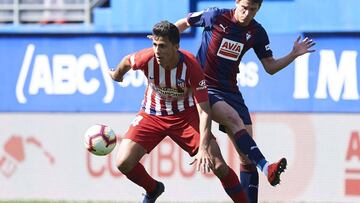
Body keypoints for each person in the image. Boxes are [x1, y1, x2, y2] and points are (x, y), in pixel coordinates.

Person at [175, 0, 316, 202]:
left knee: (247, 157)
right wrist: (167, 41)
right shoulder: (215, 16)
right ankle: (267, 167)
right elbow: (184, 23)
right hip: (203, 86)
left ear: (258, 8)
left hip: (231, 91)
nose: (247, 13)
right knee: (234, 119)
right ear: (237, 2)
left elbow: (270, 66)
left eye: (253, 9)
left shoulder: (257, 32)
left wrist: (293, 54)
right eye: (244, 7)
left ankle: (261, 173)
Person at [109, 20, 249, 203]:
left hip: (185, 117)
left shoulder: (191, 66)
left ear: (176, 47)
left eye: (163, 46)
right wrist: (117, 75)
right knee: (123, 162)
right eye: (155, 45)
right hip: (152, 113)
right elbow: (128, 61)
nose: (157, 51)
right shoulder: (147, 58)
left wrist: (204, 147)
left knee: (219, 166)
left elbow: (205, 111)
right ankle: (153, 189)